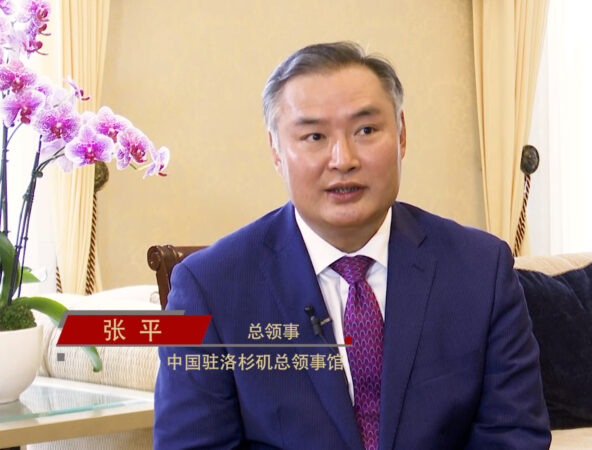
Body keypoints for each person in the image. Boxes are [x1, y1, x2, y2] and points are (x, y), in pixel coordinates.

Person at [154, 41, 551, 449]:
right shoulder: (207, 287)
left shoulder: (481, 270)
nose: (343, 159)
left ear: (401, 134)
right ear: (276, 150)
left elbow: (514, 436)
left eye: (366, 131)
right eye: (314, 136)